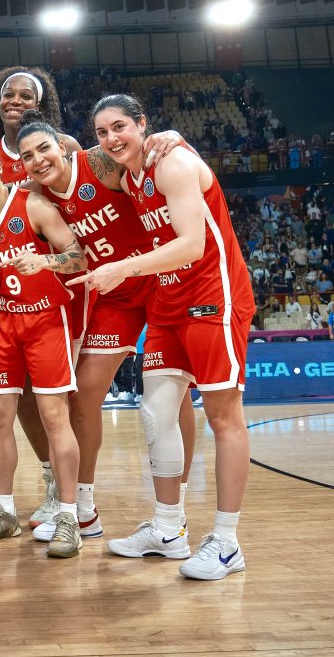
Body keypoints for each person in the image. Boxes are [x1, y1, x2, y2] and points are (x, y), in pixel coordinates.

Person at [79, 93, 255, 581]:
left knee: (224, 417)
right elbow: (67, 156)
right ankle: (168, 528)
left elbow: (192, 244)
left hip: (211, 298)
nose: (111, 139)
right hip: (168, 302)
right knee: (157, 414)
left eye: (120, 127)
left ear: (142, 124)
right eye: (102, 132)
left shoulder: (172, 161)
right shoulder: (130, 172)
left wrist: (121, 269)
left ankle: (226, 540)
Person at [15, 117, 197, 544]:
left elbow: (148, 156)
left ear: (62, 145)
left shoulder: (97, 162)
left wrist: (173, 137)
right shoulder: (35, 197)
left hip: (163, 277)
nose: (39, 161)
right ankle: (83, 508)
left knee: (174, 396)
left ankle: (177, 507)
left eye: (45, 149)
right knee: (82, 395)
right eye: (27, 157)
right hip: (113, 295)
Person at [0, 138, 88, 558]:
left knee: (54, 416)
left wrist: (47, 262)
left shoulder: (32, 205)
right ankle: (5, 511)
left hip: (46, 317)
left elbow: (79, 256)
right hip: (2, 320)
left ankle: (69, 516)